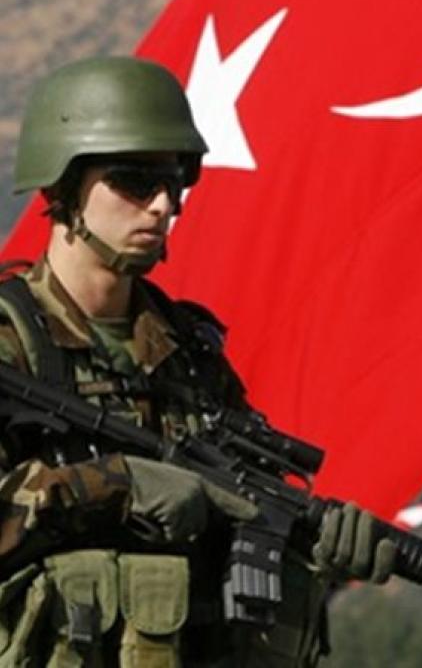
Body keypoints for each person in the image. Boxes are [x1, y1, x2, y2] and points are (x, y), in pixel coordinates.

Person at [0, 56, 395, 667]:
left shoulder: (188, 352)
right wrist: (117, 485)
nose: (163, 205)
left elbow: (240, 513)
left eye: (176, 181)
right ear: (62, 186)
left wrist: (315, 547)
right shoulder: (12, 343)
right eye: (135, 182)